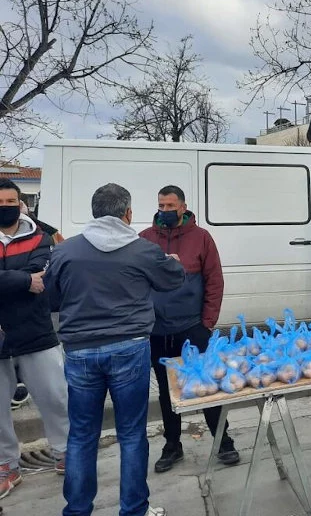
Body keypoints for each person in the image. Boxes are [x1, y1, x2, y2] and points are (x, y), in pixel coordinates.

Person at [45, 183, 186, 516]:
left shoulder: (65, 251)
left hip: (80, 351)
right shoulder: (143, 250)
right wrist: (171, 262)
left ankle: (77, 510)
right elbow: (174, 280)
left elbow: (51, 298)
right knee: (132, 434)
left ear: (94, 213)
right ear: (128, 214)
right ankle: (134, 510)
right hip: (129, 348)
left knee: (81, 435)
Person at [139, 185, 238, 473]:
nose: (165, 211)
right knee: (167, 392)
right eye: (161, 206)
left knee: (206, 385)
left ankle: (223, 441)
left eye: (171, 206)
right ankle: (172, 445)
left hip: (192, 328)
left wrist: (207, 323)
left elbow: (214, 281)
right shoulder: (145, 239)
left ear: (183, 207)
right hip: (158, 331)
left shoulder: (201, 238)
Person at [0, 180, 69, 498]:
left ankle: (65, 453)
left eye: (10, 201)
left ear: (20, 203)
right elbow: (31, 278)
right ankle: (7, 465)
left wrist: (23, 279)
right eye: (0, 201)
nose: (5, 206)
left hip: (37, 333)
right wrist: (24, 280)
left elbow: (43, 275)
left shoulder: (41, 237)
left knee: (56, 399)